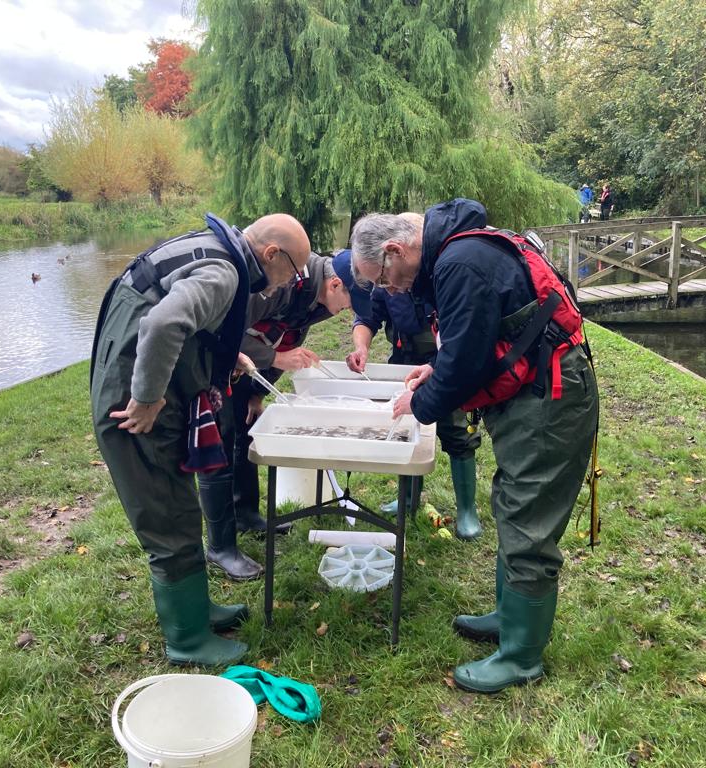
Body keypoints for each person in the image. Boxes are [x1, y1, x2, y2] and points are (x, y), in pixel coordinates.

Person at [350, 200, 599, 693]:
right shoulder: (459, 253)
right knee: (512, 503)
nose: (388, 289)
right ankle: (509, 618)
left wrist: (417, 407)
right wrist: (431, 372)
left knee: (527, 521)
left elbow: (465, 363)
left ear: (396, 250)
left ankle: (521, 656)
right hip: (534, 396)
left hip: (549, 400)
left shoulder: (459, 263)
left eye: (380, 278)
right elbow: (476, 343)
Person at [91, 212, 310, 666]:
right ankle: (187, 639)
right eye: (292, 271)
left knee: (182, 507)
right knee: (166, 515)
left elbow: (191, 326)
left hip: (152, 392)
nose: (290, 282)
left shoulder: (219, 250)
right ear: (271, 254)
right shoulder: (224, 272)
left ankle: (198, 609)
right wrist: (147, 397)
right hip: (134, 406)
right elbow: (163, 324)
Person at [200, 250, 362, 580]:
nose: (348, 312)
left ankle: (245, 514)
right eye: (348, 303)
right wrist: (273, 356)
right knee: (219, 448)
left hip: (247, 369)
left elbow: (291, 337)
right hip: (212, 364)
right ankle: (220, 546)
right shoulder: (286, 283)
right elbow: (225, 330)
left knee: (246, 432)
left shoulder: (319, 300)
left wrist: (258, 393)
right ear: (334, 285)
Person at [344, 249, 483, 539]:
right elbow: (367, 319)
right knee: (404, 429)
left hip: (444, 362)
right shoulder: (382, 281)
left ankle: (467, 510)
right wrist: (361, 347)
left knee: (458, 432)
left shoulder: (436, 273)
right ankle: (408, 498)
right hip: (404, 363)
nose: (391, 285)